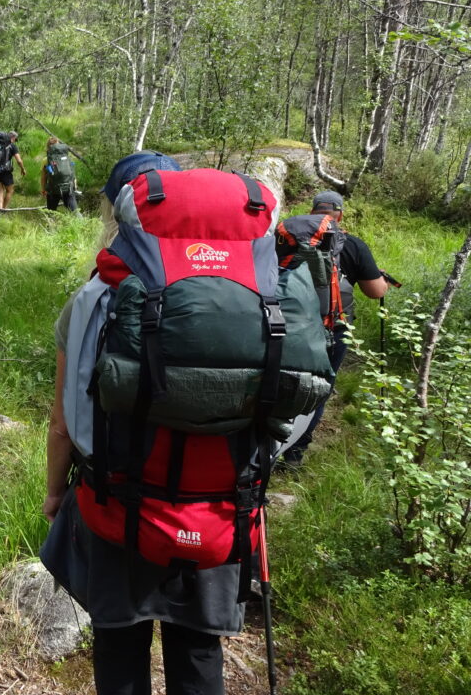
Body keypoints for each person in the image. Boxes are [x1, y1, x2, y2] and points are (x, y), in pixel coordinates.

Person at [41, 151, 237, 695]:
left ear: (118, 212)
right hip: (216, 508)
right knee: (198, 646)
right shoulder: (253, 292)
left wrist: (55, 496)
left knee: (120, 643)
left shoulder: (95, 295)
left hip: (117, 509)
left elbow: (66, 424)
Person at [281, 190, 388, 467]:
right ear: (339, 215)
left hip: (284, 323)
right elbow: (376, 292)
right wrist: (383, 281)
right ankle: (293, 455)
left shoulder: (286, 238)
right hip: (332, 328)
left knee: (277, 379)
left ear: (312, 211)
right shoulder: (351, 245)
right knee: (318, 389)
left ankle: (263, 444)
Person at [40, 136, 79, 213]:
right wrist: (75, 186)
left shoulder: (46, 160)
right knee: (75, 212)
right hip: (68, 188)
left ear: (49, 147)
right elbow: (71, 173)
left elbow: (43, 177)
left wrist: (43, 189)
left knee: (51, 212)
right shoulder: (67, 157)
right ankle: (82, 224)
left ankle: (51, 224)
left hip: (53, 190)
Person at [0, 131, 26, 211]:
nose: (15, 141)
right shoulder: (12, 146)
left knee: (0, 190)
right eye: (15, 139)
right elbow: (19, 161)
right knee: (10, 190)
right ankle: (4, 209)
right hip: (5, 171)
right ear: (13, 137)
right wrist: (22, 169)